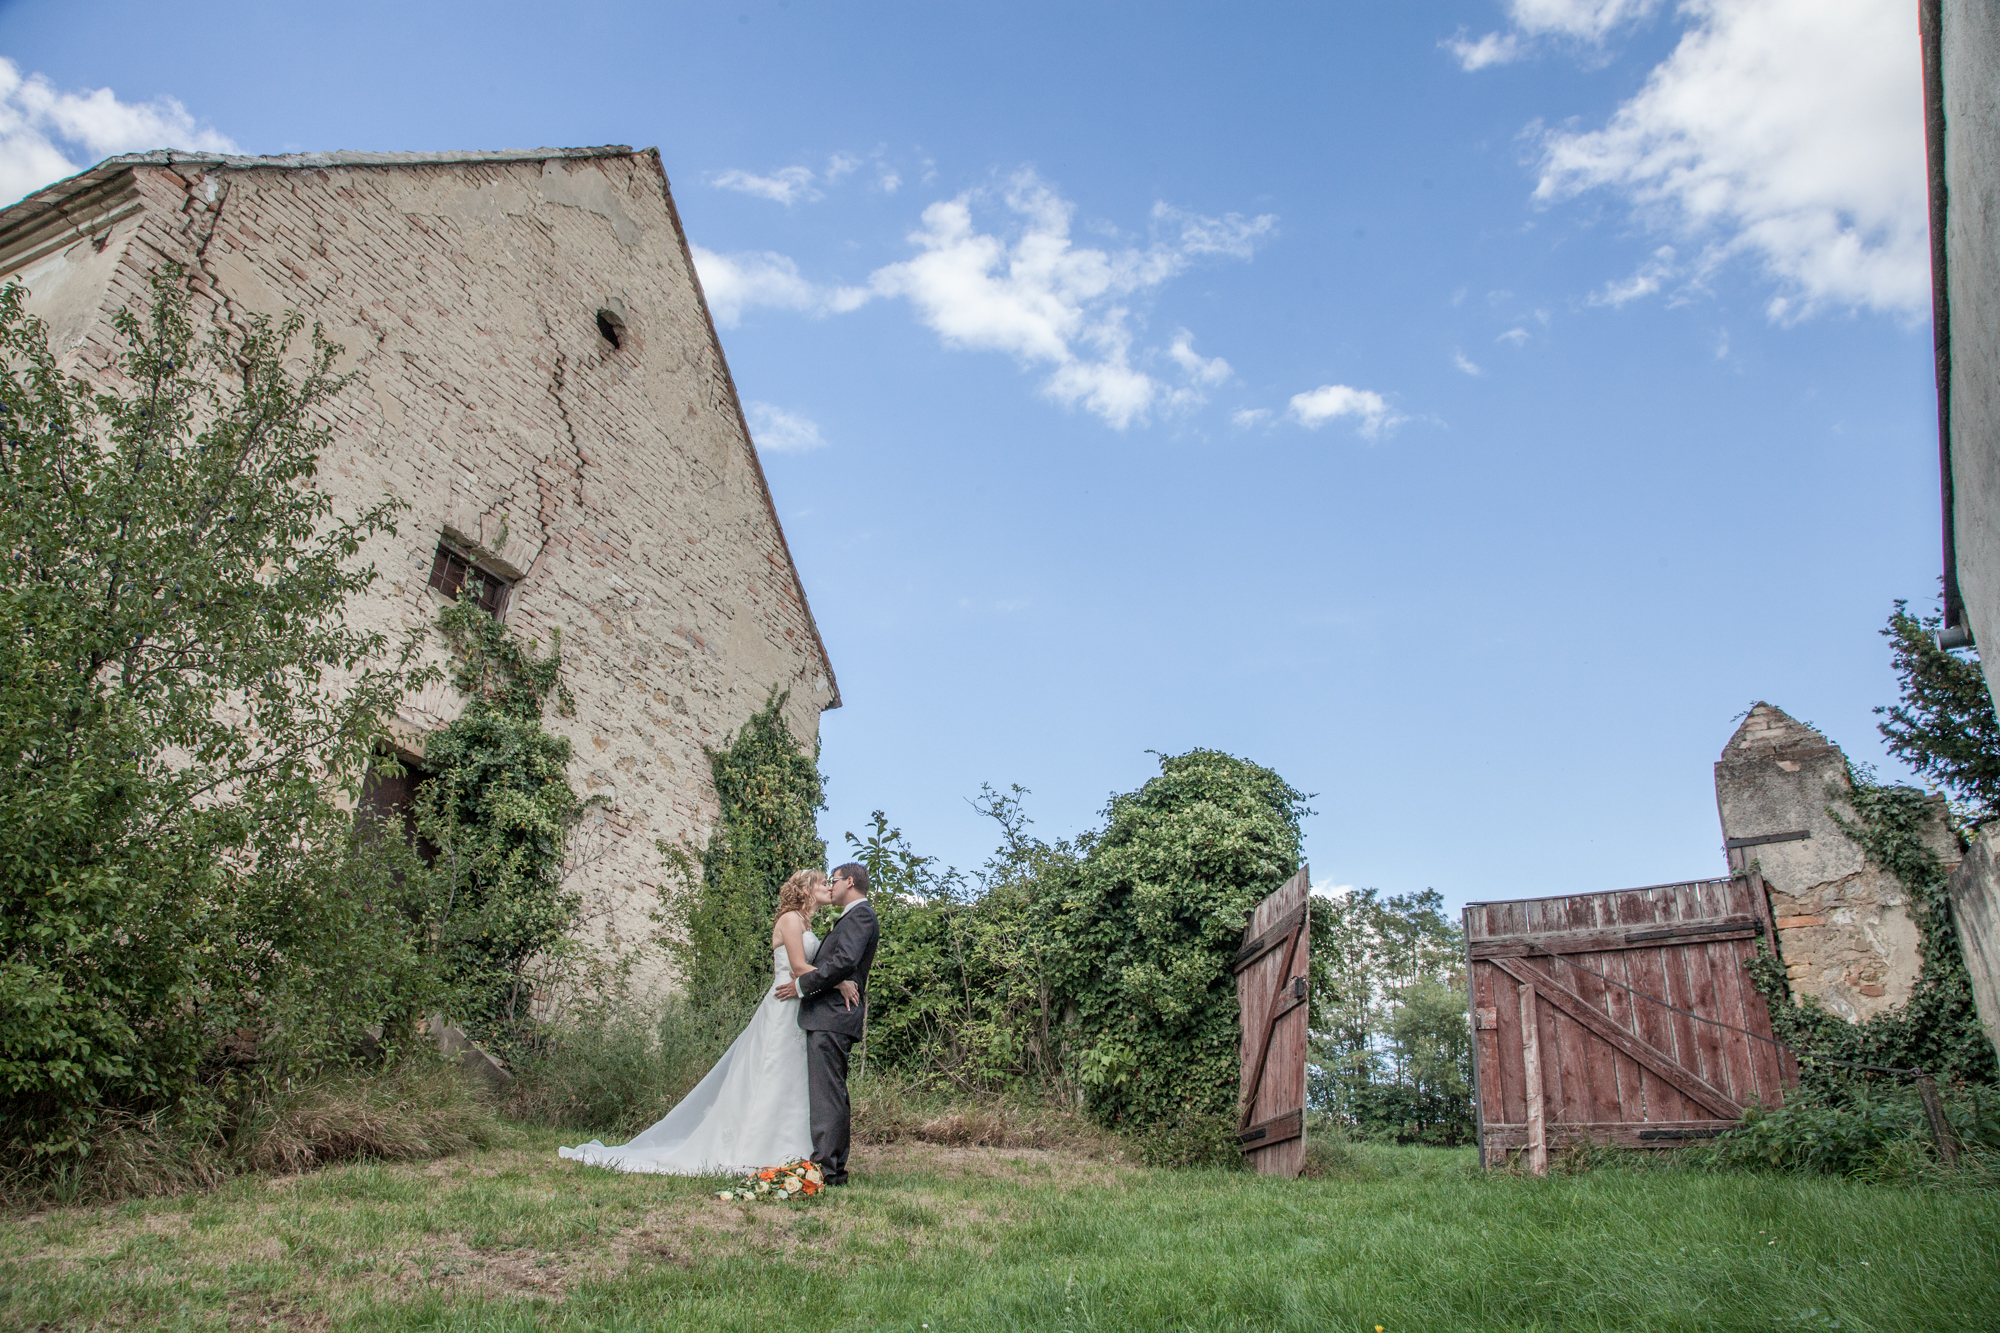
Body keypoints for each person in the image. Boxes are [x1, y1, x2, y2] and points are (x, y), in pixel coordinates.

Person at [557, 869, 857, 1174]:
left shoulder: (806, 923)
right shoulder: (791, 919)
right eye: (823, 883)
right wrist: (838, 983)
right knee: (771, 1072)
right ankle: (754, 1147)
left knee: (792, 1078)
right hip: (783, 1005)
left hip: (799, 1005)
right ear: (805, 889)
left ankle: (791, 1146)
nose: (828, 887)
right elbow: (798, 967)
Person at [774, 861, 878, 1186]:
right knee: (830, 1093)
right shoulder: (847, 917)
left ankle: (827, 1170)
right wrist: (835, 981)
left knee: (828, 1096)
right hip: (828, 1013)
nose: (831, 887)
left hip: (832, 1015)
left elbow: (844, 961)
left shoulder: (861, 915)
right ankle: (831, 1167)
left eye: (834, 880)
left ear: (849, 882)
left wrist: (804, 985)